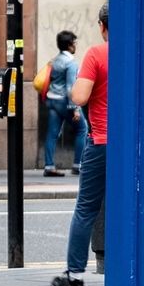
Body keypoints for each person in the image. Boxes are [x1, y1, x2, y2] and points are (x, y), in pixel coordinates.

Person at [51, 4, 109, 286]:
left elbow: (80, 95)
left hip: (101, 142)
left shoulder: (97, 54)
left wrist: (75, 88)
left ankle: (74, 279)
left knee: (86, 209)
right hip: (136, 145)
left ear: (102, 25)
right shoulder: (141, 49)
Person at [43, 31, 86, 177]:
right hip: (63, 101)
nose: (75, 45)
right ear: (69, 45)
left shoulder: (55, 61)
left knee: (52, 134)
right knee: (82, 129)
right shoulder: (71, 63)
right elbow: (70, 87)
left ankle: (49, 166)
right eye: (74, 42)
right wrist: (75, 108)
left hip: (51, 100)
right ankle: (77, 165)